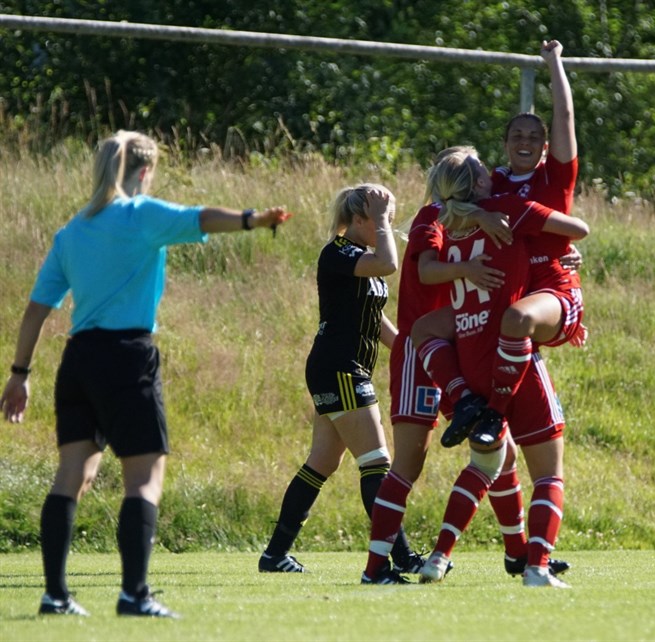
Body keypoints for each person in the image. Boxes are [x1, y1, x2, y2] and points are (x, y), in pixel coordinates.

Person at [0, 130, 292, 618]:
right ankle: (134, 595)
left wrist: (19, 373)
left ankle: (55, 595)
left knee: (71, 475)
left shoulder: (72, 231)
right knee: (144, 478)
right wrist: (253, 219)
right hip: (127, 357)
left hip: (79, 360)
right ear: (144, 171)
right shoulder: (141, 214)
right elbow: (201, 217)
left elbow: (35, 310)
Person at [416, 39, 586, 578]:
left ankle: (490, 409)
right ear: (505, 144)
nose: (526, 141)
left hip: (551, 294)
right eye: (517, 135)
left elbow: (564, 119)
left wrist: (554, 65)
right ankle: (466, 400)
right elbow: (451, 203)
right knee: (424, 329)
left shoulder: (550, 179)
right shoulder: (489, 187)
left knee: (517, 321)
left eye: (534, 136)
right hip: (501, 311)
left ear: (544, 146)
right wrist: (475, 219)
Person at [361, 147, 523, 584]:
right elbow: (427, 271)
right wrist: (468, 268)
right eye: (478, 170)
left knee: (501, 452)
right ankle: (375, 569)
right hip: (422, 352)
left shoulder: (476, 217)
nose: (488, 176)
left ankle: (518, 555)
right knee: (408, 464)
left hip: (459, 347)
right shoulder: (433, 216)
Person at [258, 183, 422, 584]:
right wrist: (382, 220)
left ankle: (275, 554)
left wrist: (412, 352)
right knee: (376, 462)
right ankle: (400, 556)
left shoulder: (362, 258)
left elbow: (375, 318)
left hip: (343, 369)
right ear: (360, 219)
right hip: (340, 369)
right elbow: (389, 264)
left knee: (322, 462)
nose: (386, 225)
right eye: (380, 218)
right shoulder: (339, 252)